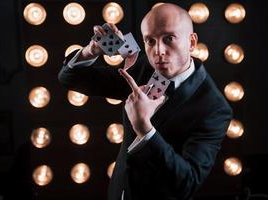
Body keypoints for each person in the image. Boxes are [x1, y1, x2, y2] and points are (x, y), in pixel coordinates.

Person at [58, 3, 232, 200]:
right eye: (150, 41)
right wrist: (91, 51)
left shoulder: (214, 108)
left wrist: (145, 129)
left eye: (169, 39)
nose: (158, 51)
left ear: (191, 43)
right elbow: (68, 78)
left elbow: (187, 183)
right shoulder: (141, 66)